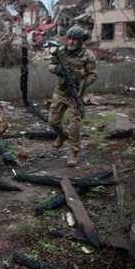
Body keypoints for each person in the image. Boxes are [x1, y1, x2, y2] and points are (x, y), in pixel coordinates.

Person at [48, 24, 97, 167]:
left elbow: (93, 75)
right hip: (61, 91)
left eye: (74, 39)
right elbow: (50, 65)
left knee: (74, 126)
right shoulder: (61, 51)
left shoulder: (88, 56)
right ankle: (61, 136)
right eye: (69, 39)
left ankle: (73, 153)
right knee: (53, 121)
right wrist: (58, 69)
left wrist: (81, 83)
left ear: (81, 41)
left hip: (76, 94)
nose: (71, 42)